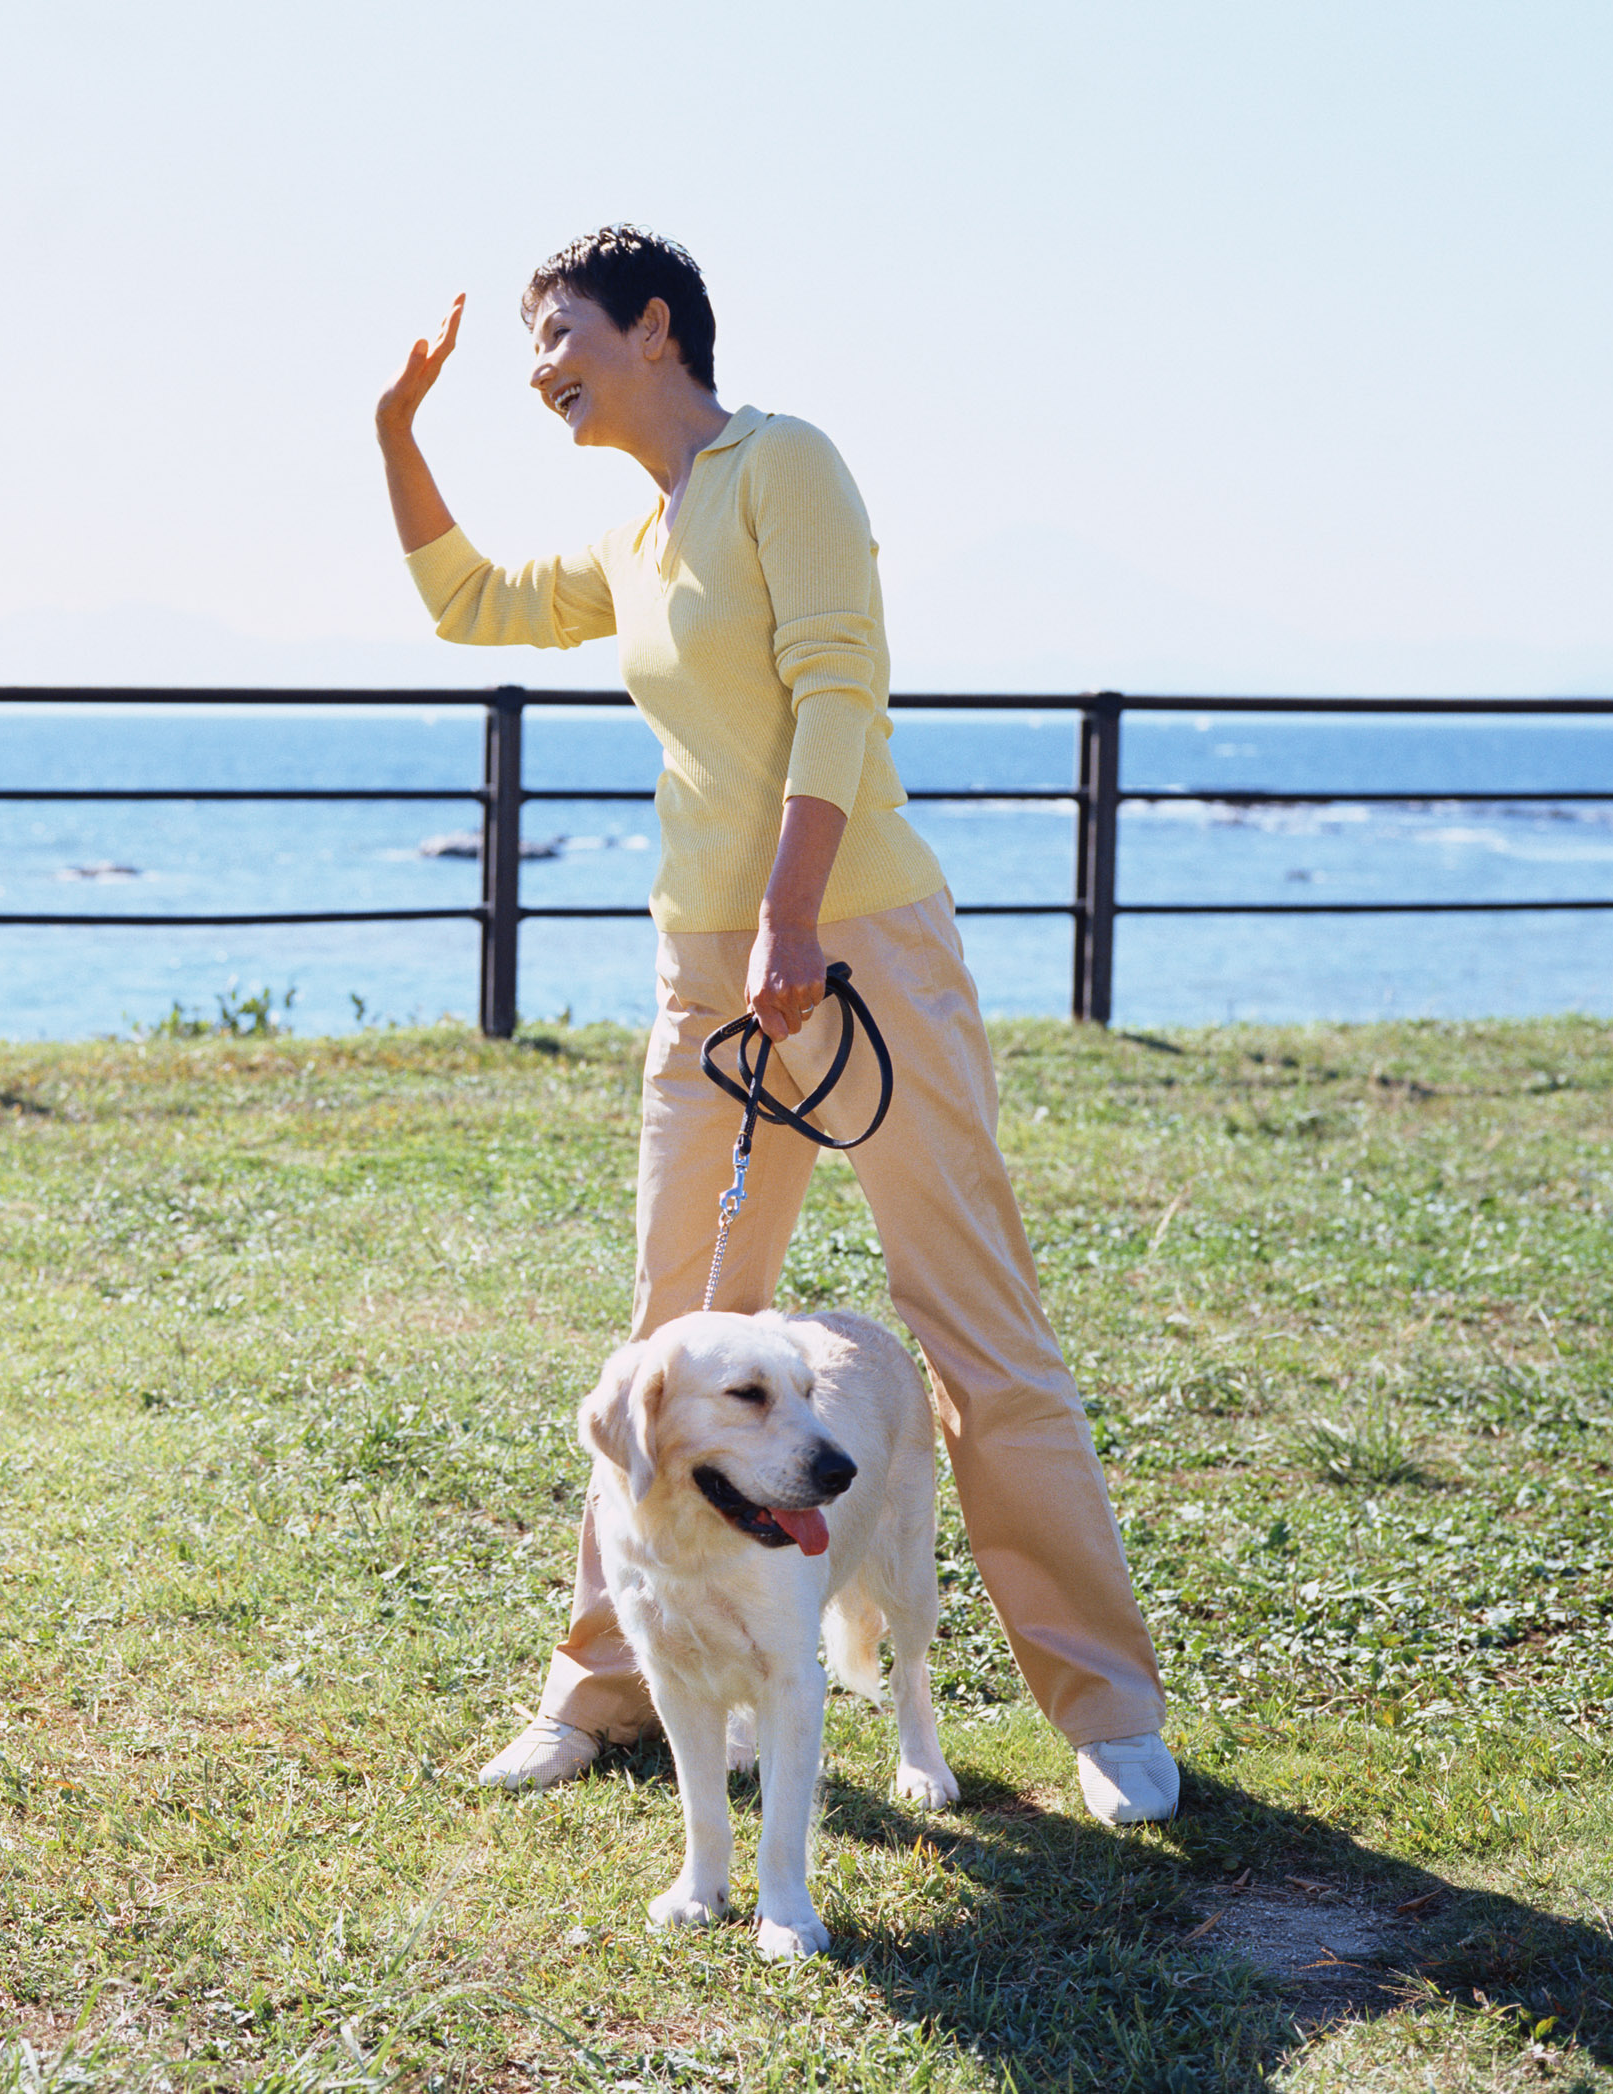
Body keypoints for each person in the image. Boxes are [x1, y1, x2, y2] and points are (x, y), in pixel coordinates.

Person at [374, 226, 1178, 1825]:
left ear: (654, 328)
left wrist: (794, 916)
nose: (540, 368)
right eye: (532, 344)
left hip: (853, 942)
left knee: (976, 1328)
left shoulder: (779, 466)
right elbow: (464, 602)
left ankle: (1101, 1708)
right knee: (669, 1350)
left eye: (562, 336)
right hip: (705, 977)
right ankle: (605, 1687)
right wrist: (395, 433)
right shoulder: (631, 531)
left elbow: (835, 687)